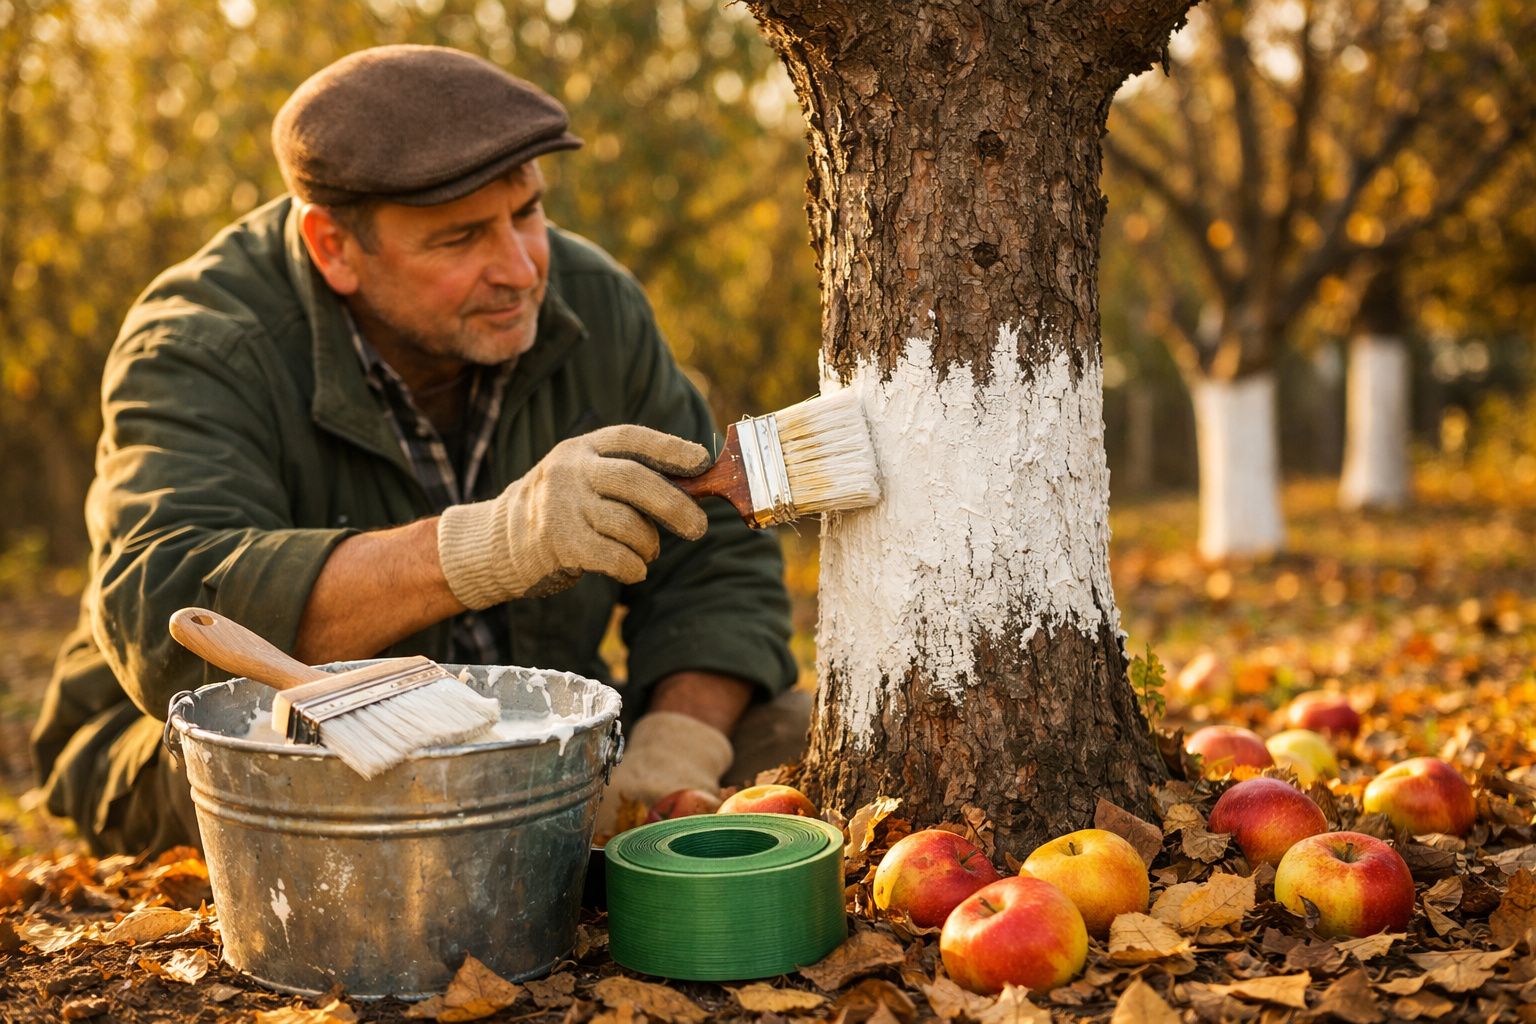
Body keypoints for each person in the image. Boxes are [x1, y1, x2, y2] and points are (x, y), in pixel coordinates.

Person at [29, 44, 807, 857]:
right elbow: (168, 606)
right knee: (358, 786)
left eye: (528, 212)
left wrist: (672, 754)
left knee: (804, 730)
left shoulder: (595, 303)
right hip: (215, 736)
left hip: (515, 733)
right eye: (460, 238)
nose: (521, 270)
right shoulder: (200, 342)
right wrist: (489, 546)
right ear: (333, 247)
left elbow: (715, 562)